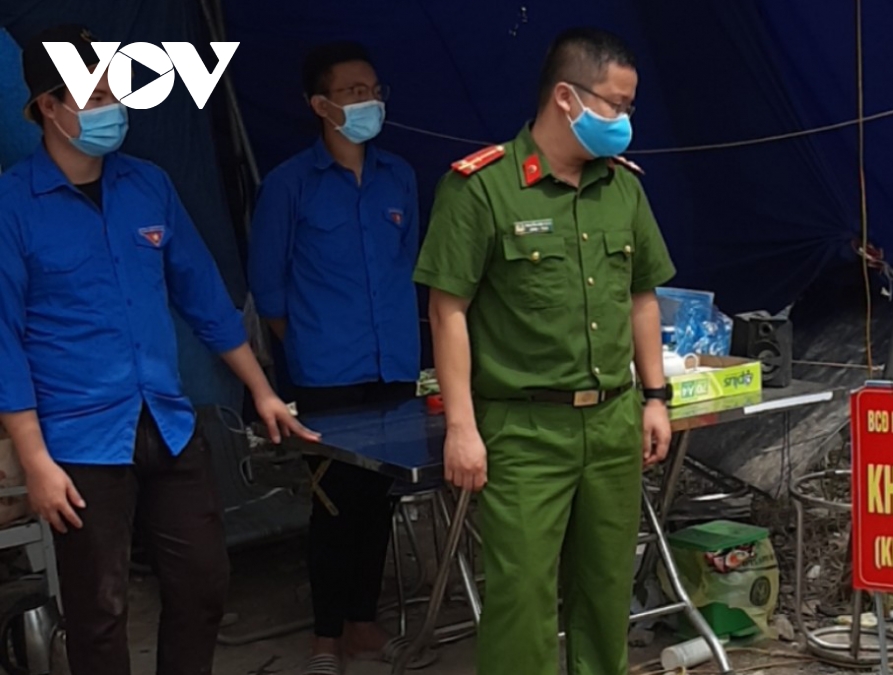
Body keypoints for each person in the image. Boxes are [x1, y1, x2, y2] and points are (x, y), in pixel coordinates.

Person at [0, 24, 317, 675]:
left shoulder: (149, 185)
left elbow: (203, 297)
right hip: (77, 440)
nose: (112, 107)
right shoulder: (12, 206)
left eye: (115, 91)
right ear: (47, 107)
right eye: (93, 96)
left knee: (203, 583)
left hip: (168, 420)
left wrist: (260, 390)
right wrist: (33, 459)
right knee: (99, 610)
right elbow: (2, 338)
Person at [414, 26, 677, 675]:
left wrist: (655, 397)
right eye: (616, 105)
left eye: (629, 106)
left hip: (612, 422)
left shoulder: (622, 188)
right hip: (525, 430)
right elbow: (448, 310)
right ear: (566, 97)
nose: (625, 120)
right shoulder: (482, 187)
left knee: (606, 590)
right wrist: (462, 427)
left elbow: (643, 295)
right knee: (522, 598)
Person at [247, 41, 421, 673]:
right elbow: (268, 286)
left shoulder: (399, 176)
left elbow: (409, 263)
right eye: (352, 92)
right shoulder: (289, 185)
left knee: (379, 502)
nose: (368, 101)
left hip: (394, 365)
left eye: (374, 90)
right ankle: (325, 638)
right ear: (319, 105)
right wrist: (307, 344)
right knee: (334, 505)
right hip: (327, 374)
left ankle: (362, 625)